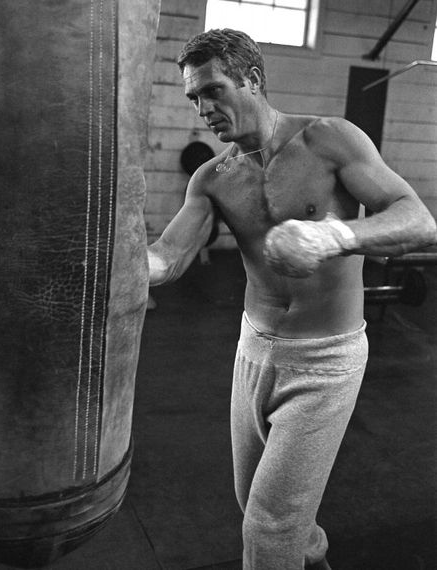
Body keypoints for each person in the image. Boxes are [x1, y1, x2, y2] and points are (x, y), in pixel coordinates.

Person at [147, 28, 436, 570]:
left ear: (252, 80)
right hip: (253, 353)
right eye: (193, 98)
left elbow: (419, 221)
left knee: (269, 524)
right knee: (260, 504)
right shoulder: (213, 178)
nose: (202, 109)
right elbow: (168, 257)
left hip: (325, 361)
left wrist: (334, 236)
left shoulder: (331, 140)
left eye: (213, 91)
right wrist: (113, 266)